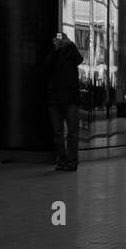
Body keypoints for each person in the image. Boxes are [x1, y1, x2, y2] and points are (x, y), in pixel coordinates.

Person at [43, 32, 84, 172]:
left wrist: (70, 44)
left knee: (72, 132)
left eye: (63, 38)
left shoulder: (71, 52)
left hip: (71, 98)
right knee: (57, 133)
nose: (61, 41)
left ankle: (72, 162)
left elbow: (79, 59)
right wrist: (56, 49)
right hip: (55, 99)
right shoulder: (53, 53)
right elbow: (46, 66)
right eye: (58, 38)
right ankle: (61, 160)